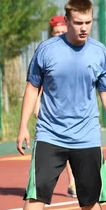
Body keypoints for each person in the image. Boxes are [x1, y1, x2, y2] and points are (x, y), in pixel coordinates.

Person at [2, 0, 106, 210]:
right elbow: (33, 88)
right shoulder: (47, 50)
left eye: (88, 22)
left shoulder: (99, 52)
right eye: (79, 23)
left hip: (86, 137)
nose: (84, 28)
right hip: (49, 134)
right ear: (67, 21)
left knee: (89, 198)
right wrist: (22, 126)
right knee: (36, 195)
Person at [32, 15, 77, 198]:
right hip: (53, 114)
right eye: (55, 32)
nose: (59, 34)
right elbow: (35, 85)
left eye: (62, 31)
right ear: (51, 33)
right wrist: (37, 107)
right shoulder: (46, 52)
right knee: (57, 147)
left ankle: (75, 181)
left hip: (75, 112)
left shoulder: (79, 51)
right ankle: (66, 182)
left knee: (77, 147)